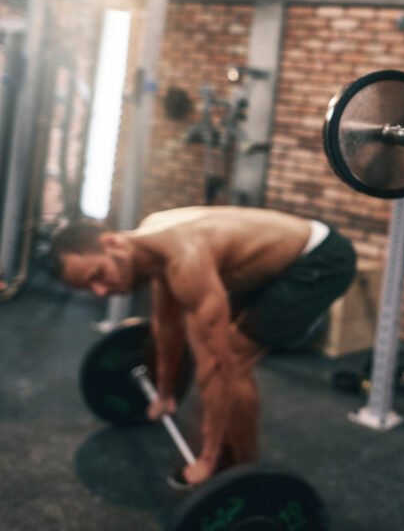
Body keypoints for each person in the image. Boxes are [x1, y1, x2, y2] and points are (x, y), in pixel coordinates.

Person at [50, 206, 356, 488]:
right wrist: (164, 393)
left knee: (233, 358)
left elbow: (217, 366)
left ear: (112, 243)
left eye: (98, 276)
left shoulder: (186, 259)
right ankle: (228, 453)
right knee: (216, 341)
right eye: (90, 288)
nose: (100, 291)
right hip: (272, 262)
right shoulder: (152, 242)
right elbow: (166, 324)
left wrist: (207, 458)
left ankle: (245, 474)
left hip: (319, 259)